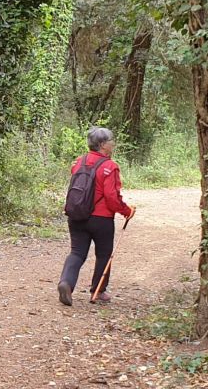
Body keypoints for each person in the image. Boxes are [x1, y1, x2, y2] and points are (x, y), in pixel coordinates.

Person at [58, 127, 134, 306]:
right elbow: (111, 197)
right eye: (111, 141)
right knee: (104, 254)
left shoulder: (78, 162)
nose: (113, 143)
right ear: (102, 145)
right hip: (101, 219)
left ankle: (66, 283)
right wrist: (127, 211)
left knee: (77, 252)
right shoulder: (110, 166)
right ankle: (98, 291)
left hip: (76, 215)